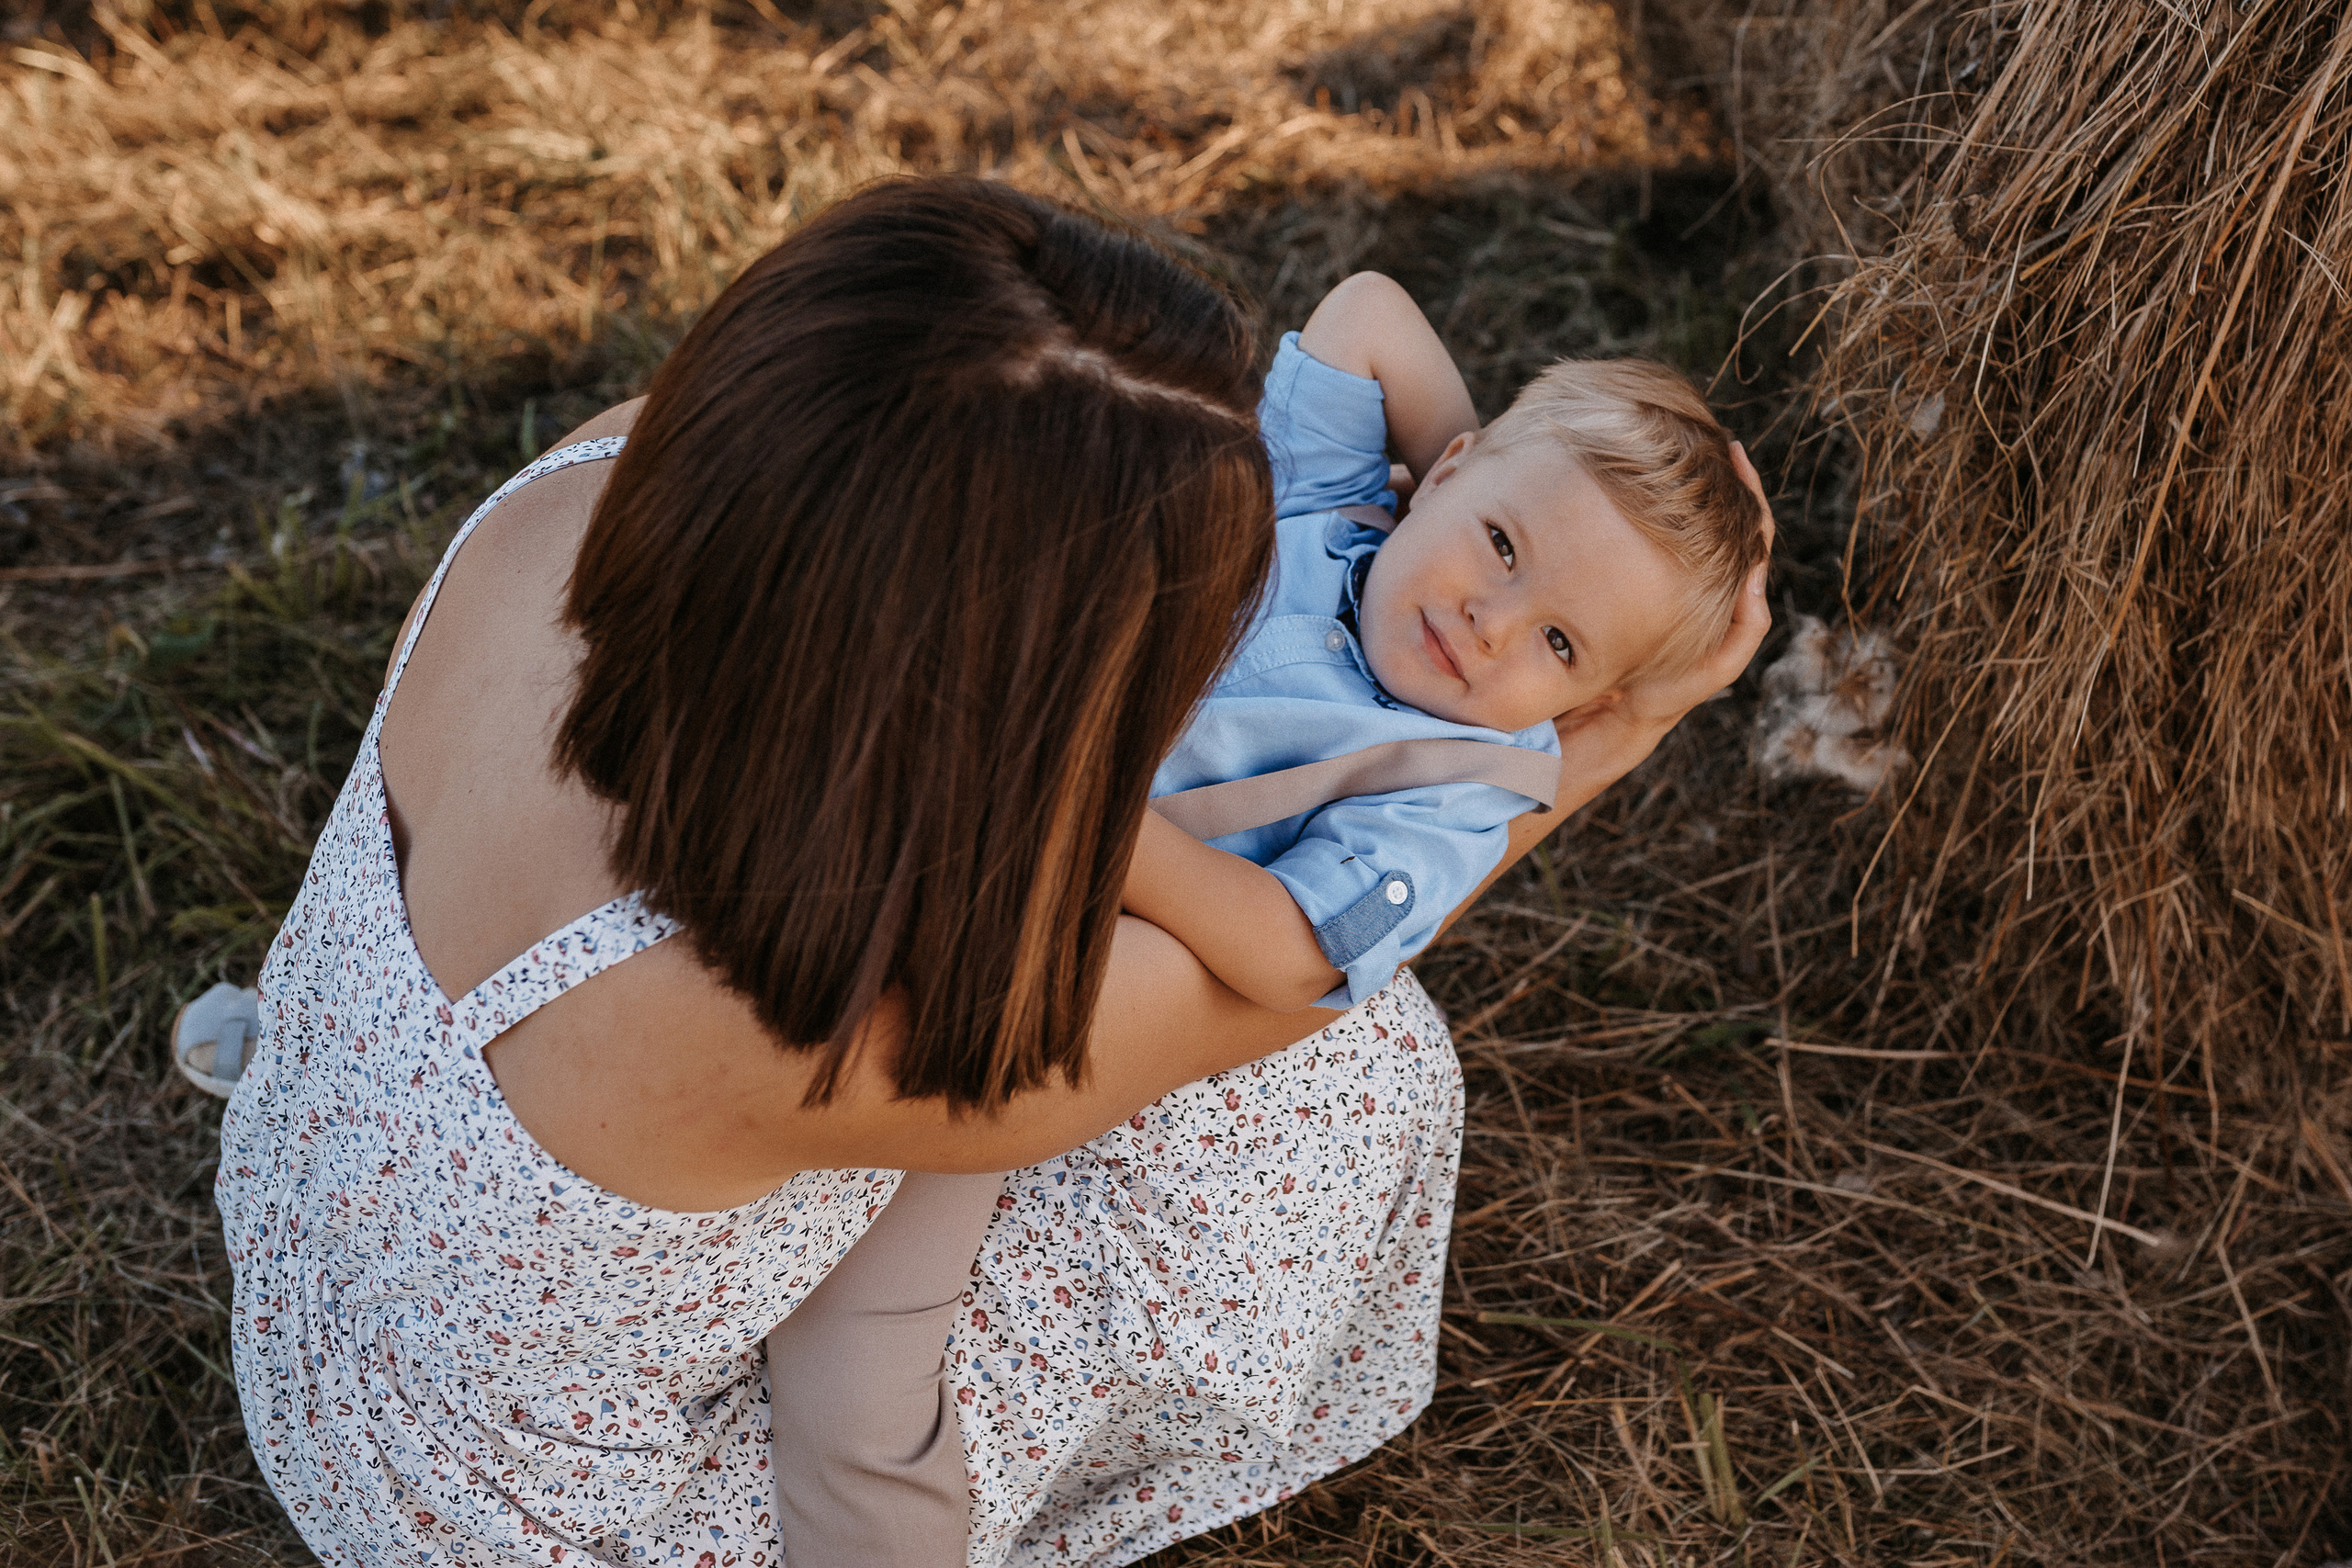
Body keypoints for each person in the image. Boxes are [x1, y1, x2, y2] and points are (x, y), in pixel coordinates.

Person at [207, 176, 1772, 1568]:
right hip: (483, 1502)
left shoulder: (628, 465)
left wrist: (1502, 512)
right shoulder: (816, 1003)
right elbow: (1288, 991)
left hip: (331, 1193)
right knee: (1352, 1082)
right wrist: (1612, 722)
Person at [1127, 272, 1772, 1011]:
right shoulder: (1319, 495)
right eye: (1501, 544)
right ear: (1445, 472)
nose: (1491, 623)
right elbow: (1368, 313)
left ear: (1592, 698)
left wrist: (1099, 829)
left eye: (1559, 643)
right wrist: (1482, 478)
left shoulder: (1452, 794)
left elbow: (1296, 953)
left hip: (1062, 885)